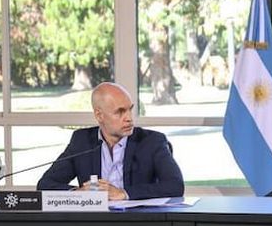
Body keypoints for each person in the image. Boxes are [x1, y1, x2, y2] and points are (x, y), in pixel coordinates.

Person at [37, 82, 184, 200]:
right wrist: (79, 193)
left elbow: (175, 185)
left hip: (138, 221)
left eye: (130, 109)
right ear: (99, 115)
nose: (129, 118)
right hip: (94, 222)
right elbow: (46, 184)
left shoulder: (152, 141)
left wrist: (124, 193)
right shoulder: (82, 141)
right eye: (120, 112)